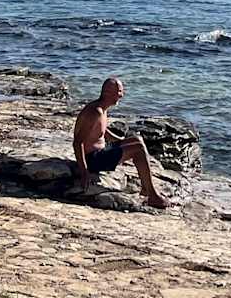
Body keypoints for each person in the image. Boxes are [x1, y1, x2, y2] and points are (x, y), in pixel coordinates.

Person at [71, 77, 169, 209]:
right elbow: (77, 143)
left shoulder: (102, 108)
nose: (121, 95)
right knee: (138, 149)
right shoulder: (95, 112)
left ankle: (145, 188)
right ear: (107, 92)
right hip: (94, 160)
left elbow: (102, 131)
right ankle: (152, 196)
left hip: (101, 151)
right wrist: (84, 172)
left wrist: (121, 141)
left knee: (137, 140)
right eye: (119, 91)